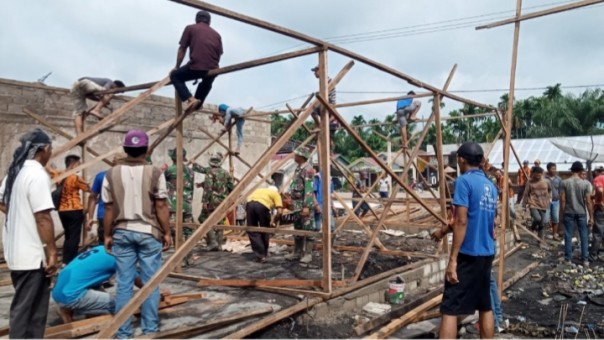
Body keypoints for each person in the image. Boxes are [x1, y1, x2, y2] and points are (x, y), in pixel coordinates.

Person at [102, 130, 172, 338]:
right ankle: (149, 329)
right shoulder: (155, 172)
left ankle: (123, 332)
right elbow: (161, 205)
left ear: (125, 149)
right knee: (151, 282)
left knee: (124, 283)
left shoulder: (111, 173)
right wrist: (167, 232)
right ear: (146, 149)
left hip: (122, 232)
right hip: (148, 232)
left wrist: (107, 235)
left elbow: (108, 208)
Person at [0, 128, 57, 339]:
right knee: (28, 311)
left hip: (16, 252)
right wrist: (52, 252)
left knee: (30, 310)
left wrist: (19, 216)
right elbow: (43, 217)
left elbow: (2, 202)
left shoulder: (14, 173)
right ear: (45, 149)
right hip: (32, 256)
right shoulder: (36, 175)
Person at [438, 142, 498, 339]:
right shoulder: (490, 185)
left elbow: (461, 220)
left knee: (450, 308)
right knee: (485, 305)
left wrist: (453, 259)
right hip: (487, 251)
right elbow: (489, 220)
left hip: (468, 253)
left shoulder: (463, 182)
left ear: (461, 160)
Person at [171, 10, 223, 113]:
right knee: (207, 82)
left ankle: (191, 100)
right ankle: (198, 103)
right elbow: (220, 53)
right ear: (209, 22)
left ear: (196, 20)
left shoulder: (190, 28)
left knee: (175, 76)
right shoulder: (217, 35)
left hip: (196, 66)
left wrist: (177, 67)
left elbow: (182, 49)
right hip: (213, 68)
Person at [52, 246, 117, 323]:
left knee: (92, 283)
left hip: (59, 291)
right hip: (71, 296)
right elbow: (132, 279)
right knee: (119, 304)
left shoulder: (101, 248)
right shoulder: (119, 257)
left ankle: (69, 309)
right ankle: (67, 308)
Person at [285, 147, 318, 263]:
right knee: (298, 229)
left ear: (301, 156)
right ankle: (297, 252)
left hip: (304, 205)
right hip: (297, 204)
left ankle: (308, 254)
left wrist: (307, 206)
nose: (294, 156)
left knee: (308, 229)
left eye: (296, 155)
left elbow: (309, 189)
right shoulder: (298, 169)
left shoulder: (307, 169)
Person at [57, 155, 91, 265]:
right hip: (74, 208)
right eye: (78, 164)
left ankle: (65, 260)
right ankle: (69, 261)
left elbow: (50, 170)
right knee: (74, 238)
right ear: (73, 164)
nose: (79, 166)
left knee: (68, 236)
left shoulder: (59, 175)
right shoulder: (75, 178)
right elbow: (88, 188)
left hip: (62, 210)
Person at [196, 152, 234, 251]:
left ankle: (213, 242)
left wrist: (204, 201)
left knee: (204, 219)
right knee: (220, 220)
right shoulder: (226, 173)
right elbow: (231, 186)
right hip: (223, 200)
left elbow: (208, 188)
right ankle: (219, 244)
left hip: (212, 201)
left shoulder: (210, 172)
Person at [560, 161, 593, 266]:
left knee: (568, 235)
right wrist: (591, 217)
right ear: (580, 171)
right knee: (584, 235)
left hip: (569, 211)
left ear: (572, 170)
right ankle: (585, 260)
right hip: (581, 212)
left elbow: (563, 200)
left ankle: (568, 259)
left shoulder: (564, 182)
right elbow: (588, 201)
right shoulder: (586, 183)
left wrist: (562, 213)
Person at [164, 148, 196, 240]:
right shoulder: (190, 171)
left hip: (174, 205)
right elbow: (192, 188)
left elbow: (162, 185)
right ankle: (188, 251)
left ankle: (178, 251)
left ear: (173, 158)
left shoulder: (169, 170)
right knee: (188, 228)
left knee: (174, 228)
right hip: (187, 203)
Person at [246, 186, 284, 262]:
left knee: (252, 230)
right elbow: (279, 212)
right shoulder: (275, 194)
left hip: (249, 204)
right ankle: (264, 253)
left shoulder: (259, 189)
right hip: (262, 206)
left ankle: (260, 255)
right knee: (265, 229)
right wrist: (274, 222)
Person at [310, 66, 338, 149]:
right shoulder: (323, 81)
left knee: (313, 110)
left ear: (320, 71)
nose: (314, 73)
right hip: (326, 104)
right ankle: (330, 151)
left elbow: (326, 94)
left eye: (315, 71)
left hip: (329, 104)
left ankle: (320, 125)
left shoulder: (326, 80)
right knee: (328, 137)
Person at [522, 166, 552, 239]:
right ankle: (532, 227)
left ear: (542, 174)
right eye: (536, 175)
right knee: (537, 219)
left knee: (542, 223)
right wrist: (524, 204)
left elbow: (550, 190)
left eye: (539, 175)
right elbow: (526, 193)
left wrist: (550, 198)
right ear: (533, 174)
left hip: (543, 203)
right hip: (533, 203)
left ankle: (540, 240)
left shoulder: (546, 181)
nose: (538, 176)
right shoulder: (530, 182)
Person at [88, 169, 108, 246]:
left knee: (104, 245)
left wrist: (90, 218)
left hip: (103, 215)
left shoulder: (101, 176)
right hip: (122, 216)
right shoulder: (129, 174)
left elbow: (92, 197)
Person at [544, 163, 562, 240]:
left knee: (555, 218)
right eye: (552, 169)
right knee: (545, 219)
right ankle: (543, 235)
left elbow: (561, 190)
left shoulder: (558, 179)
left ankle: (554, 235)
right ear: (548, 169)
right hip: (546, 201)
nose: (554, 170)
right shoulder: (544, 179)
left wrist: (559, 196)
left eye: (555, 168)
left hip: (556, 201)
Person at [591, 166, 604, 262]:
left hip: (601, 208)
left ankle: (593, 255)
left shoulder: (598, 178)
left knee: (597, 232)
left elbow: (600, 190)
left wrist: (599, 200)